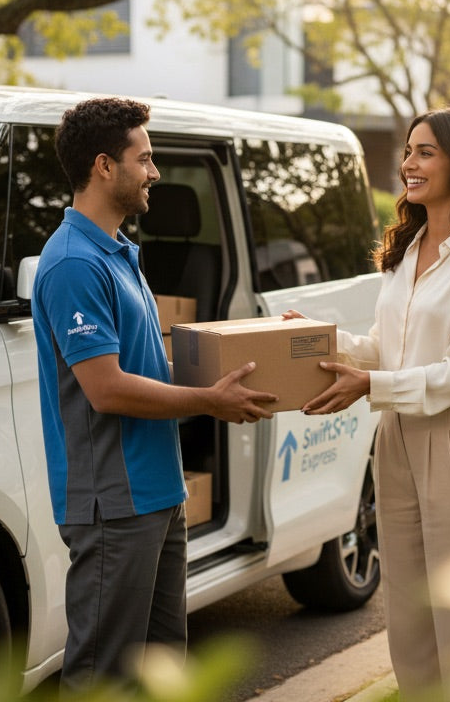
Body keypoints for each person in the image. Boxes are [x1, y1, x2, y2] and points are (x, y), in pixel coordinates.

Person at [31, 96, 276, 694]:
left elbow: (145, 367)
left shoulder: (118, 252)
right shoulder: (73, 263)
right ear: (104, 166)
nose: (154, 171)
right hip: (114, 502)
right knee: (104, 676)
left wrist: (242, 365)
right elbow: (107, 389)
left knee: (163, 669)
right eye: (143, 159)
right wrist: (209, 402)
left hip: (157, 491)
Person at [284, 106, 450, 698]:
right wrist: (318, 339)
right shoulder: (406, 249)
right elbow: (384, 346)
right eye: (408, 151)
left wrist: (371, 386)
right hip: (394, 438)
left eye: (425, 152)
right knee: (410, 618)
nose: (408, 164)